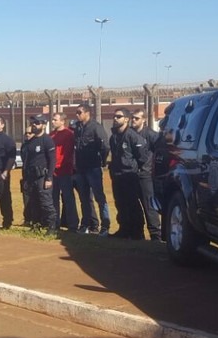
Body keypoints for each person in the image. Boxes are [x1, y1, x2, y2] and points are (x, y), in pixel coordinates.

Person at [73, 103, 111, 236]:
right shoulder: (77, 128)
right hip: (81, 168)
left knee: (99, 197)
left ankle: (105, 226)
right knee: (84, 198)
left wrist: (102, 161)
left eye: (79, 112)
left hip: (93, 168)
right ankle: (87, 224)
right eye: (76, 112)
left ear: (87, 113)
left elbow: (105, 146)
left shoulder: (96, 127)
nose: (77, 115)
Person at [108, 109, 146, 240]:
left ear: (126, 119)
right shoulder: (113, 137)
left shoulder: (132, 135)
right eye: (114, 116)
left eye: (119, 116)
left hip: (129, 175)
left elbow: (142, 156)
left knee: (132, 204)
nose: (115, 118)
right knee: (120, 203)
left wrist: (135, 168)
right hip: (117, 175)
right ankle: (124, 229)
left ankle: (137, 232)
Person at [23, 114, 58, 234]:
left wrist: (49, 178)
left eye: (37, 123)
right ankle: (36, 225)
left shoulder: (47, 140)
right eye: (33, 122)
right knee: (33, 201)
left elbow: (52, 160)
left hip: (42, 176)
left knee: (46, 202)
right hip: (31, 176)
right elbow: (27, 160)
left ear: (43, 125)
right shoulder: (31, 141)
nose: (34, 124)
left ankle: (52, 226)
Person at [131, 108, 163, 241]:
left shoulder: (151, 135)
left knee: (149, 206)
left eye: (137, 118)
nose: (133, 120)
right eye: (132, 118)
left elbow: (160, 151)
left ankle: (155, 235)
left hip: (146, 175)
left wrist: (153, 169)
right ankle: (137, 233)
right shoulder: (130, 133)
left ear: (143, 119)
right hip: (132, 174)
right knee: (133, 205)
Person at [50, 112, 79, 232]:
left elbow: (70, 153)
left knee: (68, 199)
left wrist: (67, 166)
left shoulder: (69, 134)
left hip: (65, 171)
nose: (53, 122)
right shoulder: (51, 135)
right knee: (53, 199)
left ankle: (73, 225)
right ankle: (54, 224)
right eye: (52, 119)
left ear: (62, 121)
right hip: (53, 172)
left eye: (55, 120)